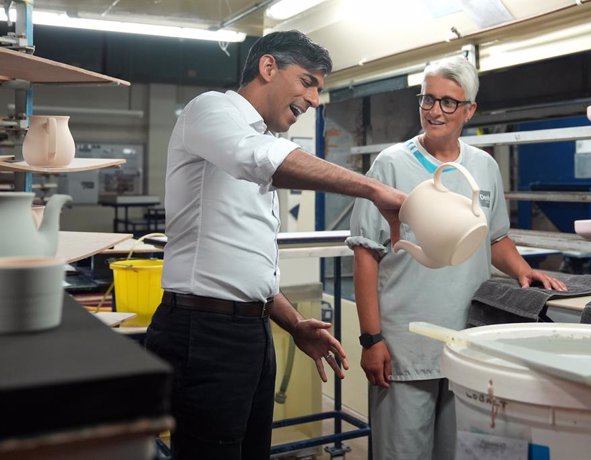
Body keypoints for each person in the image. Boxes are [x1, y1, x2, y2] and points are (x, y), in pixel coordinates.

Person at [144, 30, 406, 460]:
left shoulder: (267, 141)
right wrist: (375, 190)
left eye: (319, 89)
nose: (314, 100)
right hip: (204, 334)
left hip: (251, 331)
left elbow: (245, 265)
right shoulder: (210, 110)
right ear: (269, 67)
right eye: (308, 82)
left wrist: (294, 323)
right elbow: (257, 158)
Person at [346, 56, 567, 460]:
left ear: (469, 110)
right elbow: (366, 255)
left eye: (448, 102)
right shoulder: (391, 165)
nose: (434, 111)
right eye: (428, 99)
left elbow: (494, 238)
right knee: (402, 453)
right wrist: (371, 338)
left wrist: (523, 270)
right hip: (405, 348)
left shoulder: (483, 167)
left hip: (469, 343)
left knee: (461, 453)